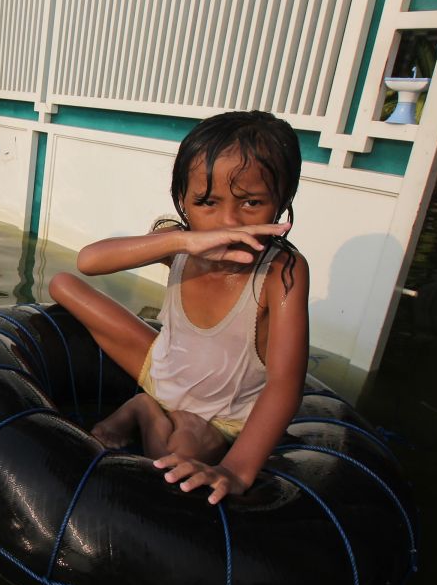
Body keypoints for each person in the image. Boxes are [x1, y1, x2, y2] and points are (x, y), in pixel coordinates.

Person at [48, 110, 309, 505]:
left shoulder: (281, 271)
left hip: (218, 414)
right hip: (161, 367)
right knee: (62, 284)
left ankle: (147, 412)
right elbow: (88, 261)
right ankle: (147, 402)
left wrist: (236, 470)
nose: (227, 222)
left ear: (281, 201)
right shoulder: (181, 244)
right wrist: (182, 242)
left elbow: (285, 382)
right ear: (182, 200)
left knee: (175, 458)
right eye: (206, 202)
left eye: (251, 203)